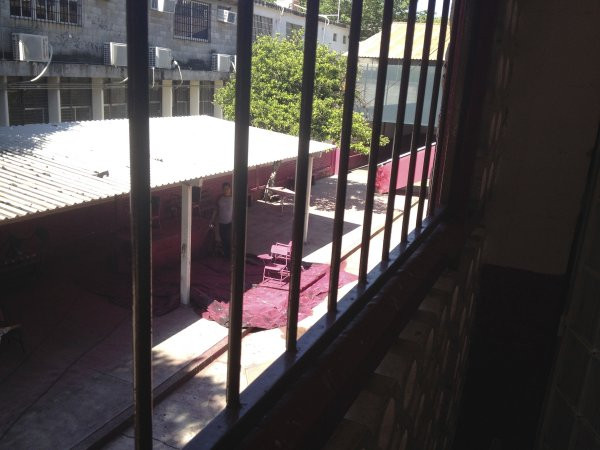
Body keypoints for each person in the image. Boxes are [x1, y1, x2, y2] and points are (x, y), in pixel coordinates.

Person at [211, 182, 233, 259]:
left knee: (229, 239)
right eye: (224, 189)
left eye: (227, 188)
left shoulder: (234, 198)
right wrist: (212, 220)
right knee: (223, 239)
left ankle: (230, 256)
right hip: (221, 223)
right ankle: (226, 255)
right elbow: (215, 210)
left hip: (230, 223)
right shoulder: (219, 198)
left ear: (230, 189)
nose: (226, 190)